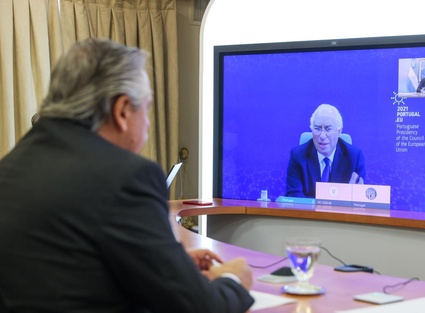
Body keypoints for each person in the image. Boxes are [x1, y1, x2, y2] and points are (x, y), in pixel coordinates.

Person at [0, 38, 254, 313]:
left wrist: (167, 264)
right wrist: (234, 279)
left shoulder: (11, 167)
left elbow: (62, 269)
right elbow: (200, 308)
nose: (147, 124)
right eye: (146, 108)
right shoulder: (127, 177)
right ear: (122, 111)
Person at [286, 104, 366, 198]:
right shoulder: (298, 156)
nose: (322, 136)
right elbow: (294, 196)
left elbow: (358, 198)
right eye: (317, 128)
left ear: (339, 131)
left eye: (328, 129)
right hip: (309, 212)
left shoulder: (355, 157)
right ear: (312, 130)